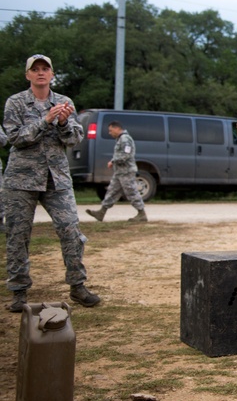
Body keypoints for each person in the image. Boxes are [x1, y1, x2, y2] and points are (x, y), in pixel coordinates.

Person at [3, 54, 101, 312]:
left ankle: (77, 285)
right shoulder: (15, 102)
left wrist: (61, 122)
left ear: (52, 74)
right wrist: (45, 120)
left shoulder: (64, 102)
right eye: (34, 69)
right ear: (28, 75)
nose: (40, 73)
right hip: (21, 179)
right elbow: (14, 138)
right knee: (18, 235)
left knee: (71, 230)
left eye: (45, 69)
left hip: (56, 178)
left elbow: (74, 138)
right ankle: (18, 292)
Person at [85, 121, 147, 223]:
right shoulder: (120, 139)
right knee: (111, 192)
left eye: (111, 130)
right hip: (119, 172)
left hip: (126, 172)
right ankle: (101, 212)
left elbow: (126, 155)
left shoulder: (125, 139)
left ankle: (141, 214)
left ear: (117, 128)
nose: (110, 133)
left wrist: (113, 161)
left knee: (131, 192)